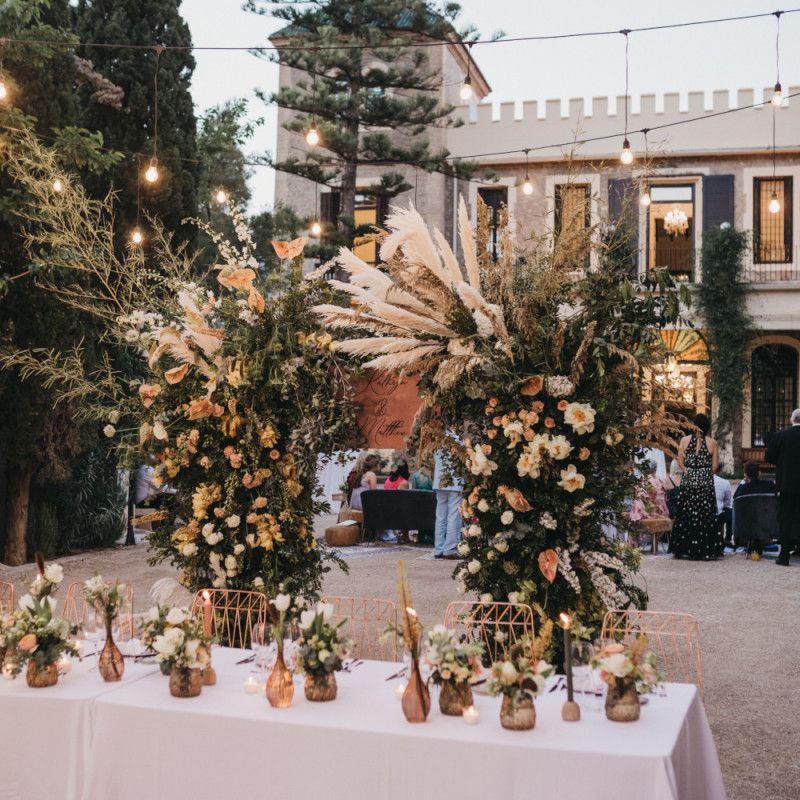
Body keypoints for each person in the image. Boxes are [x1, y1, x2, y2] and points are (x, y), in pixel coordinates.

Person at [670, 413, 723, 560]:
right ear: (707, 427)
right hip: (705, 481)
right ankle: (704, 548)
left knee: (686, 512)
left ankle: (683, 548)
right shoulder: (712, 443)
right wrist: (703, 472)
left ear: (694, 426)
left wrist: (690, 471)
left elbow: (680, 462)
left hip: (689, 479)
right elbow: (715, 466)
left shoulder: (684, 440)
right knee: (705, 513)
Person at [765, 408, 800, 566]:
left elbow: (769, 457)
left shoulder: (781, 435)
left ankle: (784, 555)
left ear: (792, 420)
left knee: (786, 520)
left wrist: (783, 461)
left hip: (786, 483)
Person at [733, 461, 777, 558]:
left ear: (746, 475)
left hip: (749, 526)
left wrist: (743, 482)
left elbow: (735, 498)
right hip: (769, 524)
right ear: (759, 473)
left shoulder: (744, 488)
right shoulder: (769, 485)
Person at [433, 446, 463, 560]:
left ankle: (438, 548)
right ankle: (449, 549)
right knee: (453, 516)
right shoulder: (457, 441)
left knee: (440, 516)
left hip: (439, 481)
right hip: (454, 483)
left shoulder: (437, 439)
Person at [712, 465, 733, 547]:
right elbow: (728, 502)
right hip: (718, 514)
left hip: (702, 512)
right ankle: (727, 539)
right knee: (730, 512)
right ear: (719, 471)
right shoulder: (724, 482)